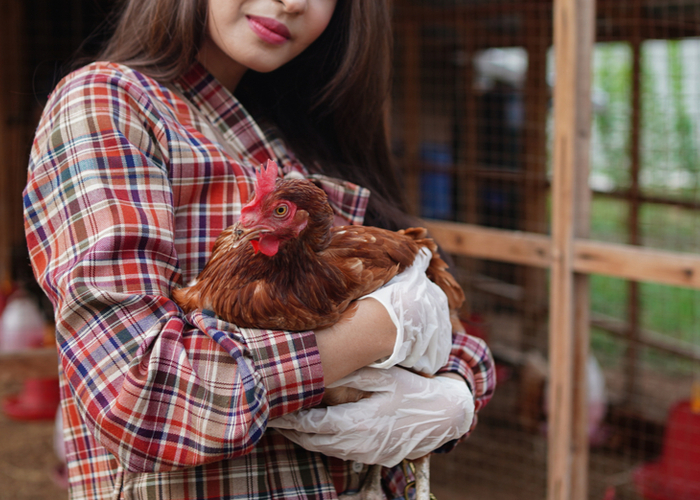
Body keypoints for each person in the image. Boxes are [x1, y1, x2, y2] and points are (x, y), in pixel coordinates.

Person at [24, 0, 496, 498]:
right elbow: (138, 398)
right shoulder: (111, 104)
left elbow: (456, 333)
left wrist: (456, 394)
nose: (292, 1)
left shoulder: (304, 137)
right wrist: (368, 335)